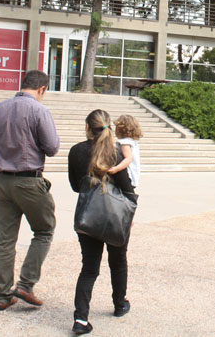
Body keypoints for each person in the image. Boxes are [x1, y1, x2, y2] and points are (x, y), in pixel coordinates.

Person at [0, 70, 60, 311]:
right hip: (28, 179)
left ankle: (3, 295)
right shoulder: (39, 110)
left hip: (1, 180)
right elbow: (52, 147)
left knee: (5, 240)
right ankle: (26, 283)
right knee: (44, 230)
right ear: (42, 89)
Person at [68, 109, 138, 335]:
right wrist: (130, 217)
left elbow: (75, 186)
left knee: (89, 268)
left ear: (88, 127)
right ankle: (119, 304)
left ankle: (80, 318)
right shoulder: (117, 153)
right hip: (114, 215)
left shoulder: (76, 151)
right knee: (118, 262)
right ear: (109, 127)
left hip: (89, 214)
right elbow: (128, 190)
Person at [110, 114, 143, 187]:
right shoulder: (132, 142)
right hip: (133, 176)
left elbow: (128, 158)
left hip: (128, 175)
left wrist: (116, 169)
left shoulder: (125, 143)